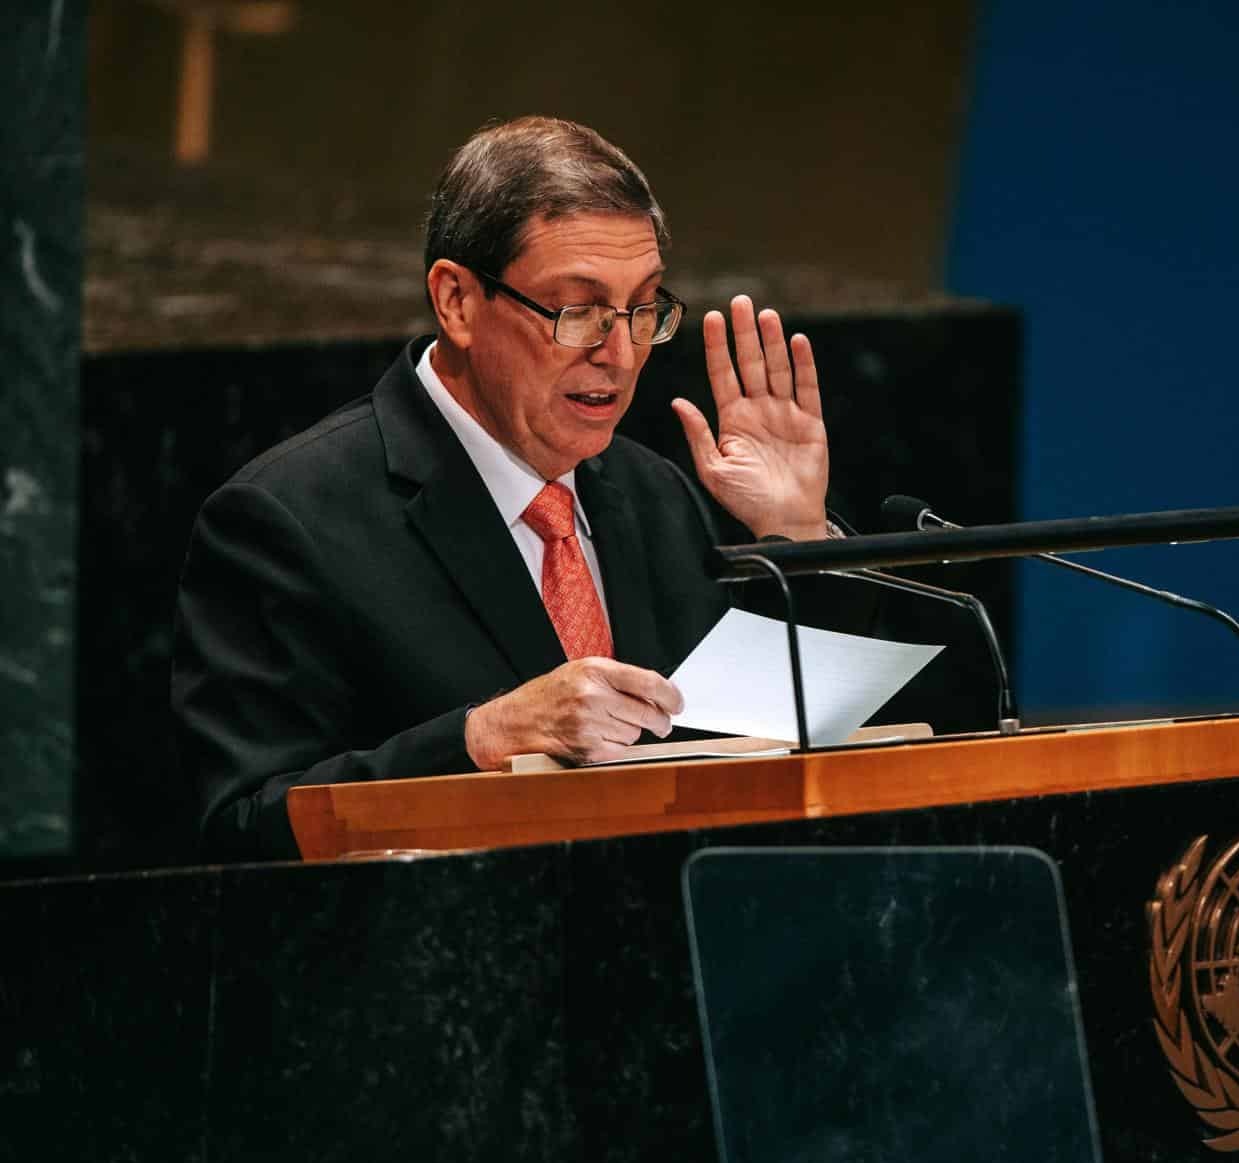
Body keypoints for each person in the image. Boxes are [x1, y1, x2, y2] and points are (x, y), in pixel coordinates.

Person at [172, 116, 859, 861]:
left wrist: (799, 537)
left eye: (643, 307)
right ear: (458, 302)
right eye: (579, 311)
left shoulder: (654, 492)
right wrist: (480, 739)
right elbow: (243, 832)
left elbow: (782, 747)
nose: (620, 353)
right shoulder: (288, 519)